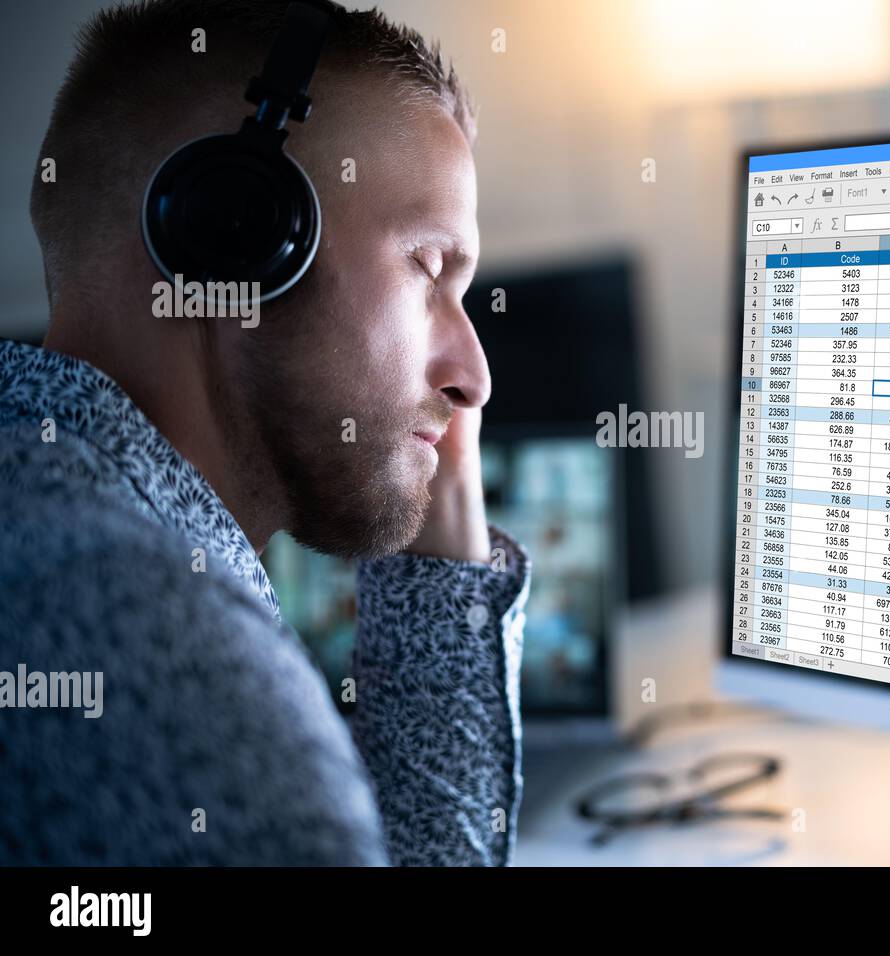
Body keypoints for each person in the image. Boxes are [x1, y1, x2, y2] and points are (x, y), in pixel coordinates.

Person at [0, 0, 529, 865]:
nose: (476, 377)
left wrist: (440, 573)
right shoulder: (132, 631)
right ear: (230, 231)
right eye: (428, 267)